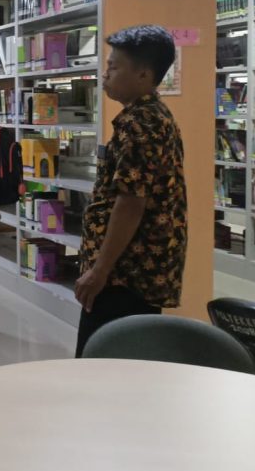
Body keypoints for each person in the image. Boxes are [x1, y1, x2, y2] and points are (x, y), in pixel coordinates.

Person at [75, 25, 187, 357]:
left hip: (127, 273)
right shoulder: (146, 115)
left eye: (114, 67)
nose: (106, 74)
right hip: (131, 270)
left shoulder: (141, 123)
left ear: (143, 74)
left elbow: (130, 203)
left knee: (104, 358)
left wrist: (99, 271)